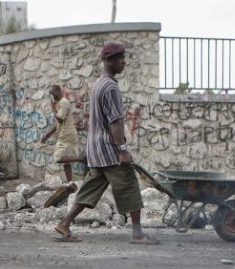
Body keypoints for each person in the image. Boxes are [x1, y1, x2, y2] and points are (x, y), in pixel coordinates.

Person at [53, 42, 159, 245]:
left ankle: (64, 223)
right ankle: (138, 233)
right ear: (109, 61)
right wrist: (123, 150)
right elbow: (115, 123)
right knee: (129, 184)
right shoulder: (110, 87)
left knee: (90, 188)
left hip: (96, 150)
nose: (124, 62)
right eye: (120, 58)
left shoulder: (99, 84)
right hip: (109, 150)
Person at [40, 85, 80, 183]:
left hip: (67, 135)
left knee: (58, 158)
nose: (51, 96)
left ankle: (82, 158)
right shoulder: (60, 103)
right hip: (65, 134)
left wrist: (53, 109)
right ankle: (70, 183)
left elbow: (60, 119)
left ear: (57, 92)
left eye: (52, 94)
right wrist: (47, 135)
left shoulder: (64, 103)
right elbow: (58, 124)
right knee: (66, 163)